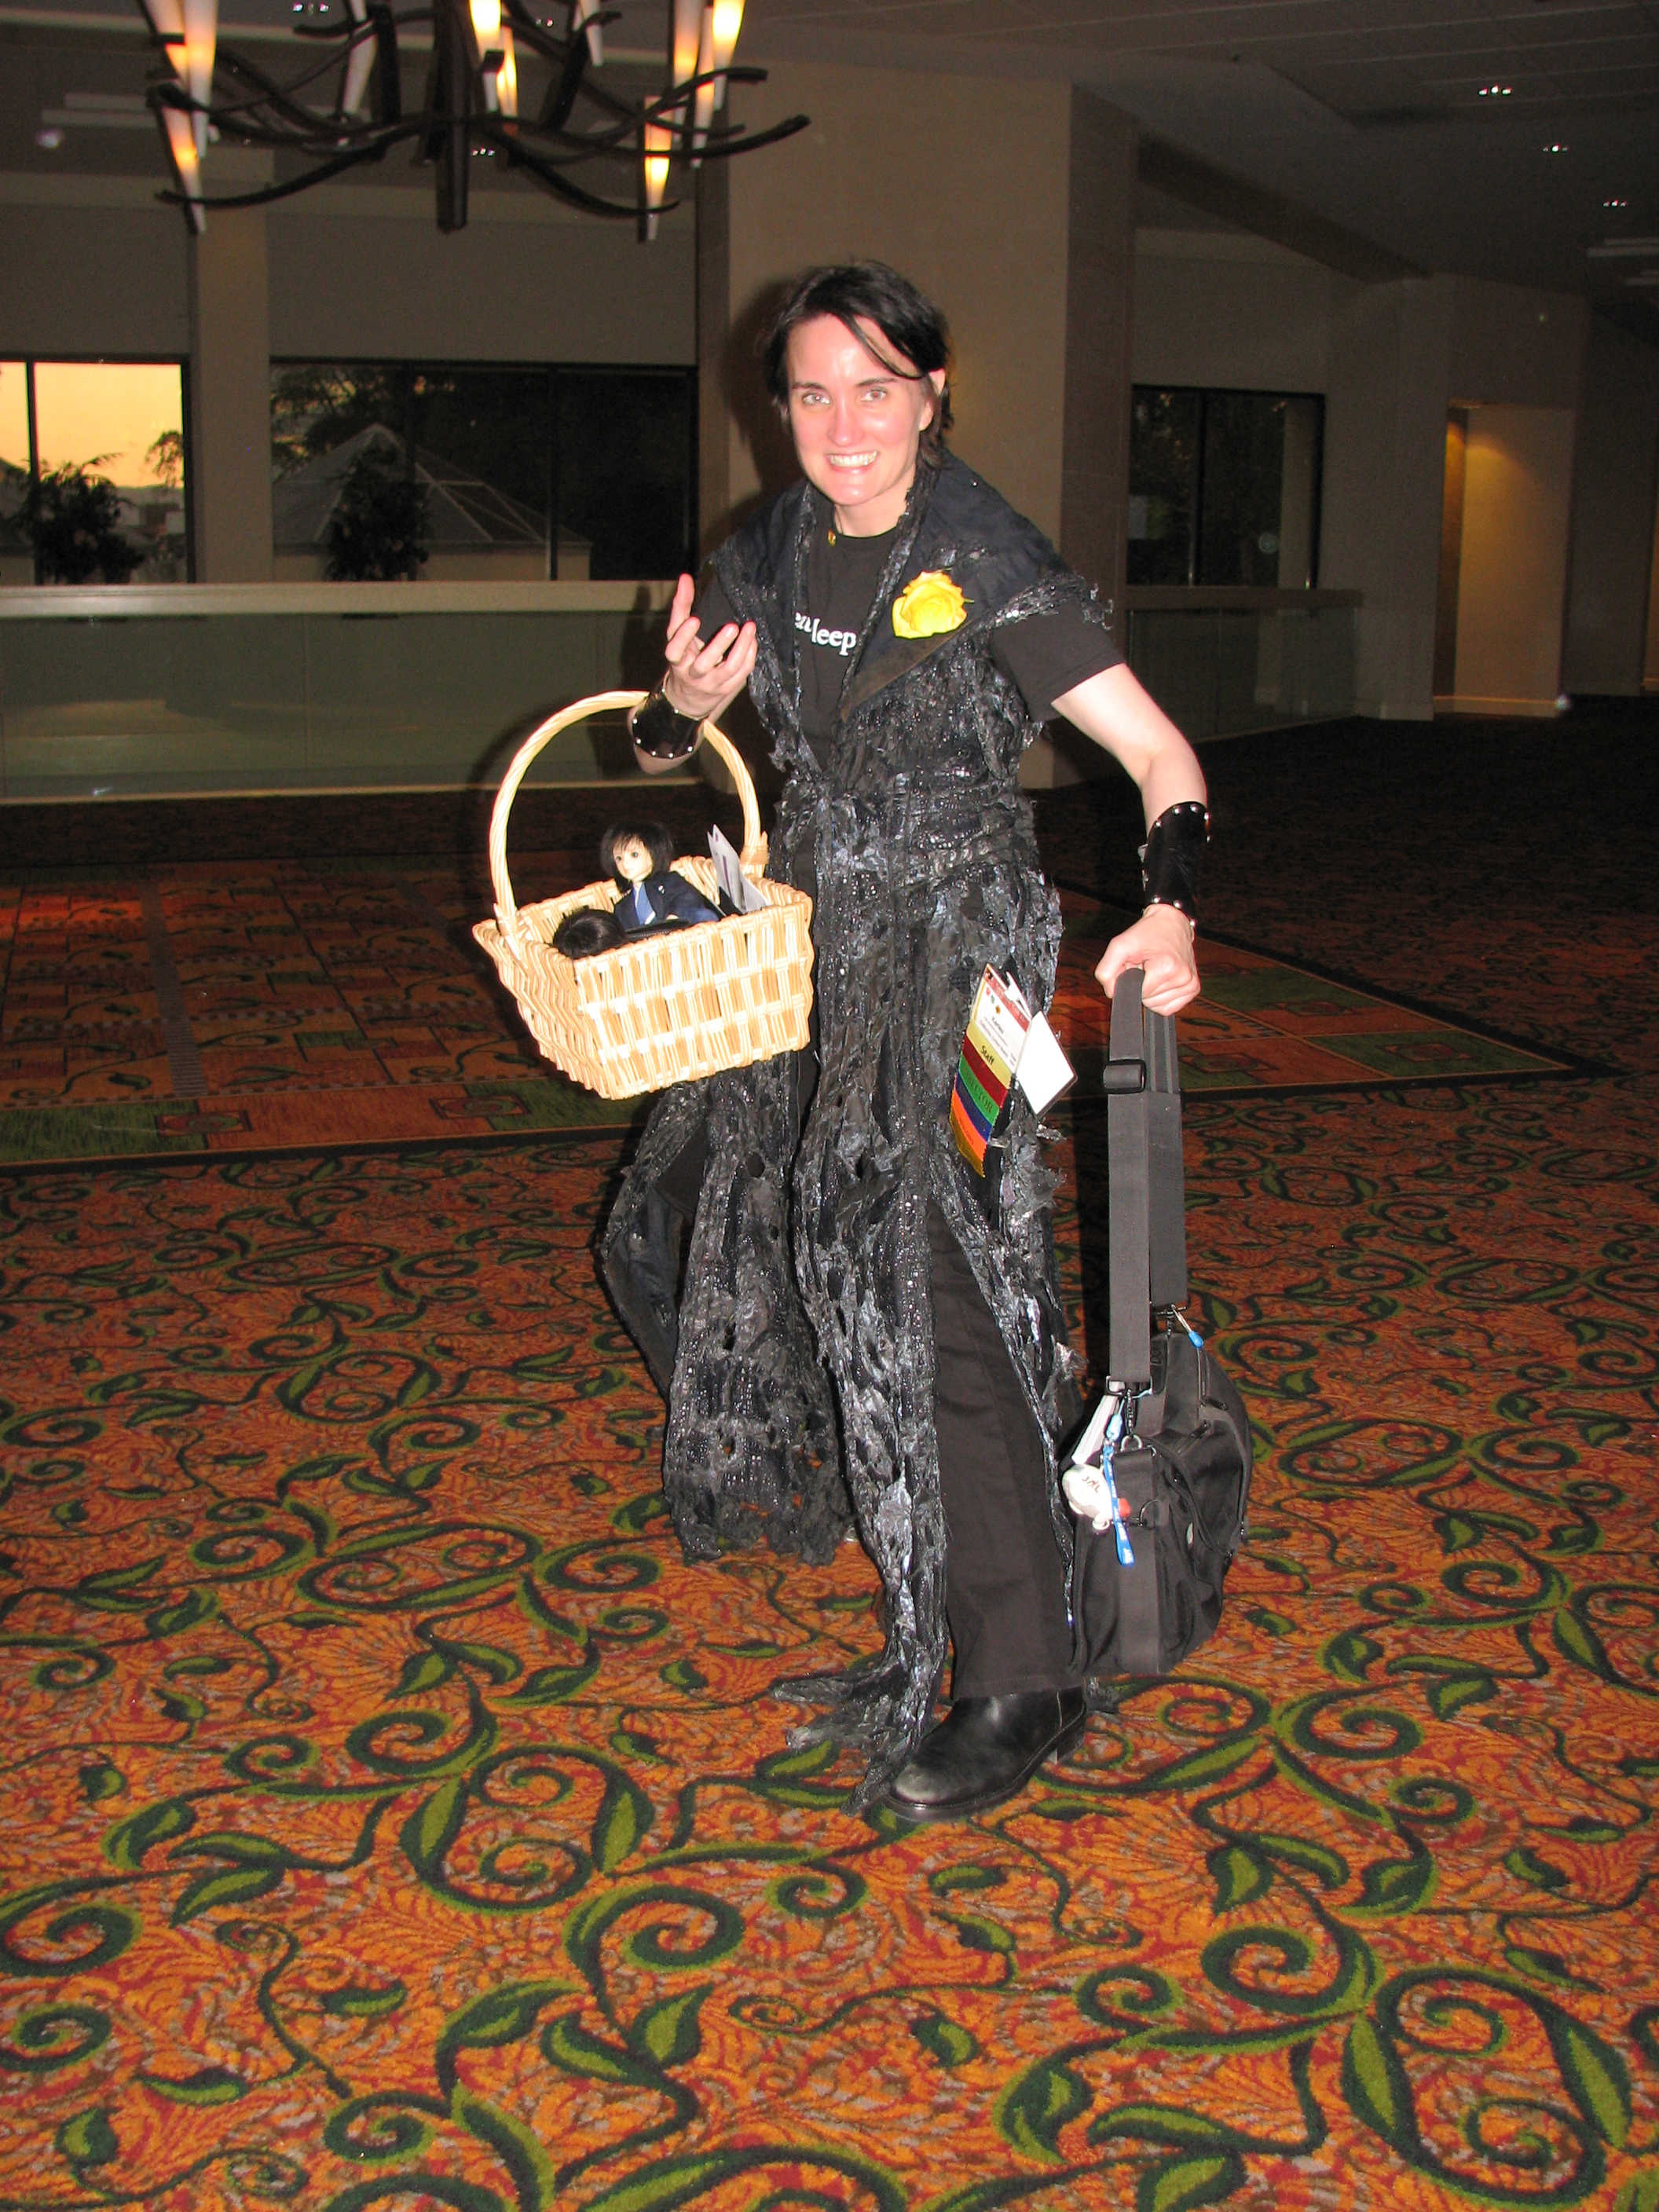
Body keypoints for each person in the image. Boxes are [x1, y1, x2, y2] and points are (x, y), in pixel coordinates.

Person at [602, 262, 1207, 1822]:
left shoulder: (983, 553)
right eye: (813, 392)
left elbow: (1161, 756)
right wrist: (677, 704)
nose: (845, 424)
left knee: (940, 1276)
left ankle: (1024, 1667)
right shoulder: (770, 547)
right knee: (697, 1214)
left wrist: (1170, 908)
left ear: (932, 396)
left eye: (877, 388)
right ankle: (889, 1513)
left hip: (962, 965)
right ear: (780, 408)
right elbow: (662, 744)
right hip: (814, 952)